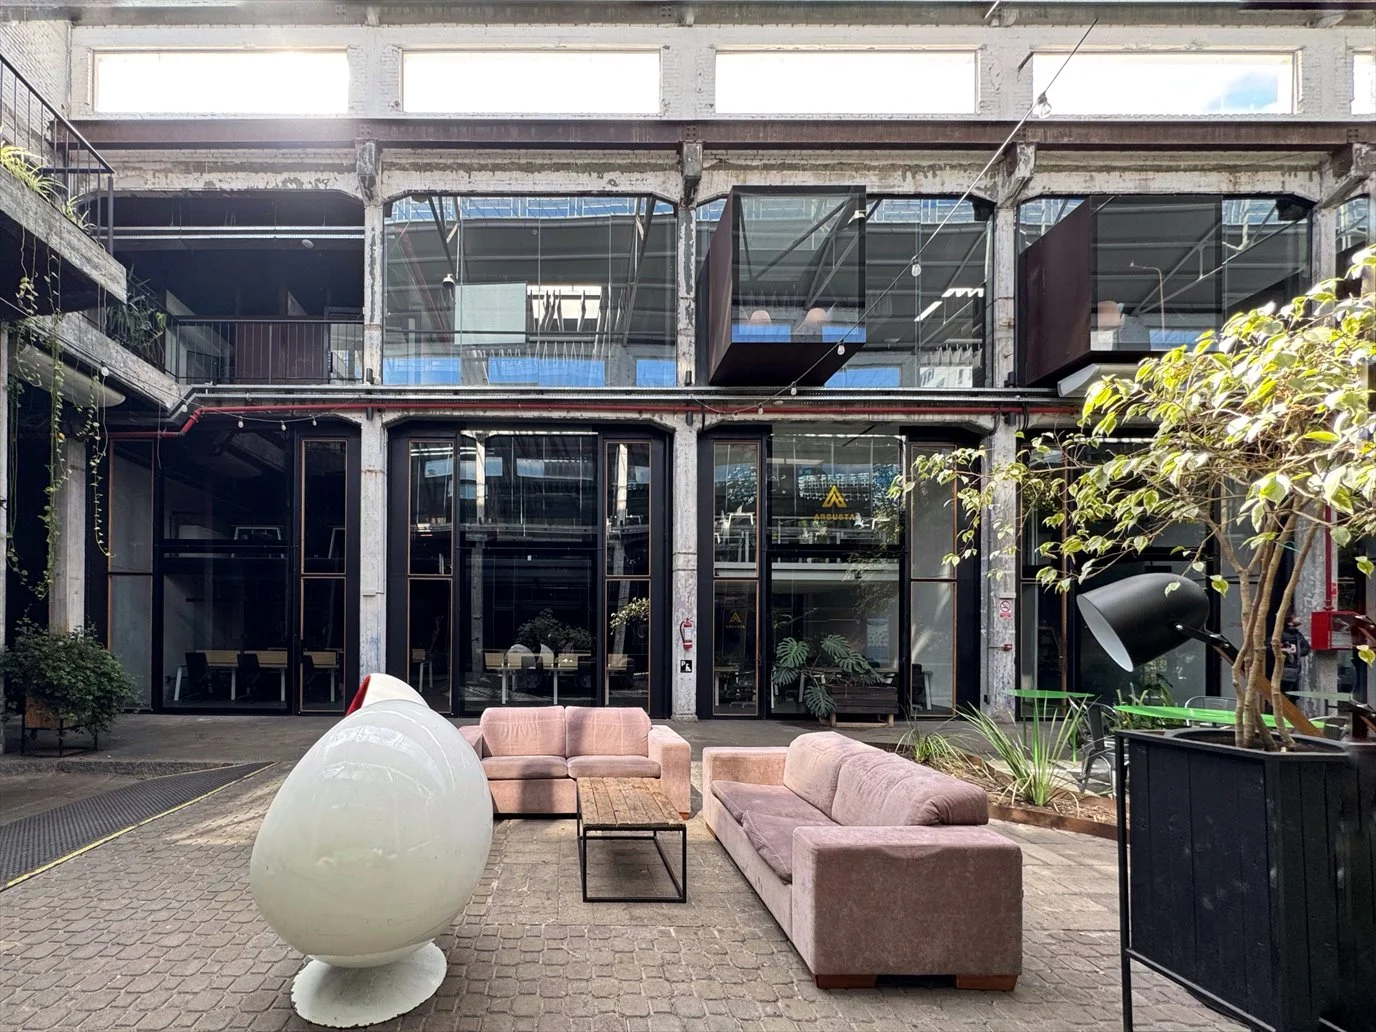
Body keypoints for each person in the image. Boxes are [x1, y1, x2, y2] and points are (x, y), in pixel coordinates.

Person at [1280, 613, 1312, 697]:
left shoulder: (1298, 634)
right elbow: (1270, 647)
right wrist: (1284, 650)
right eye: (1295, 618)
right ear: (1290, 623)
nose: (1298, 618)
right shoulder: (1281, 634)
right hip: (1284, 668)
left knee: (1293, 695)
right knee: (1283, 693)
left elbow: (1306, 649)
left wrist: (1295, 651)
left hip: (1295, 669)